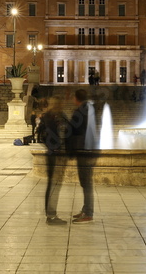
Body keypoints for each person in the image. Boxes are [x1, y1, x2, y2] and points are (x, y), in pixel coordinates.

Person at [66, 89, 97, 224]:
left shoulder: (80, 112)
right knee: (85, 182)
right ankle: (86, 209)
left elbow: (73, 131)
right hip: (88, 150)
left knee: (86, 182)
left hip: (84, 150)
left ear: (76, 98)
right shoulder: (89, 109)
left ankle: (88, 212)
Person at [43, 96, 68, 225]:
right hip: (53, 154)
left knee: (54, 185)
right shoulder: (48, 117)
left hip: (60, 153)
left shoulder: (61, 116)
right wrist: (53, 147)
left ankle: (52, 214)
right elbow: (42, 134)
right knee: (52, 185)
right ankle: (50, 215)